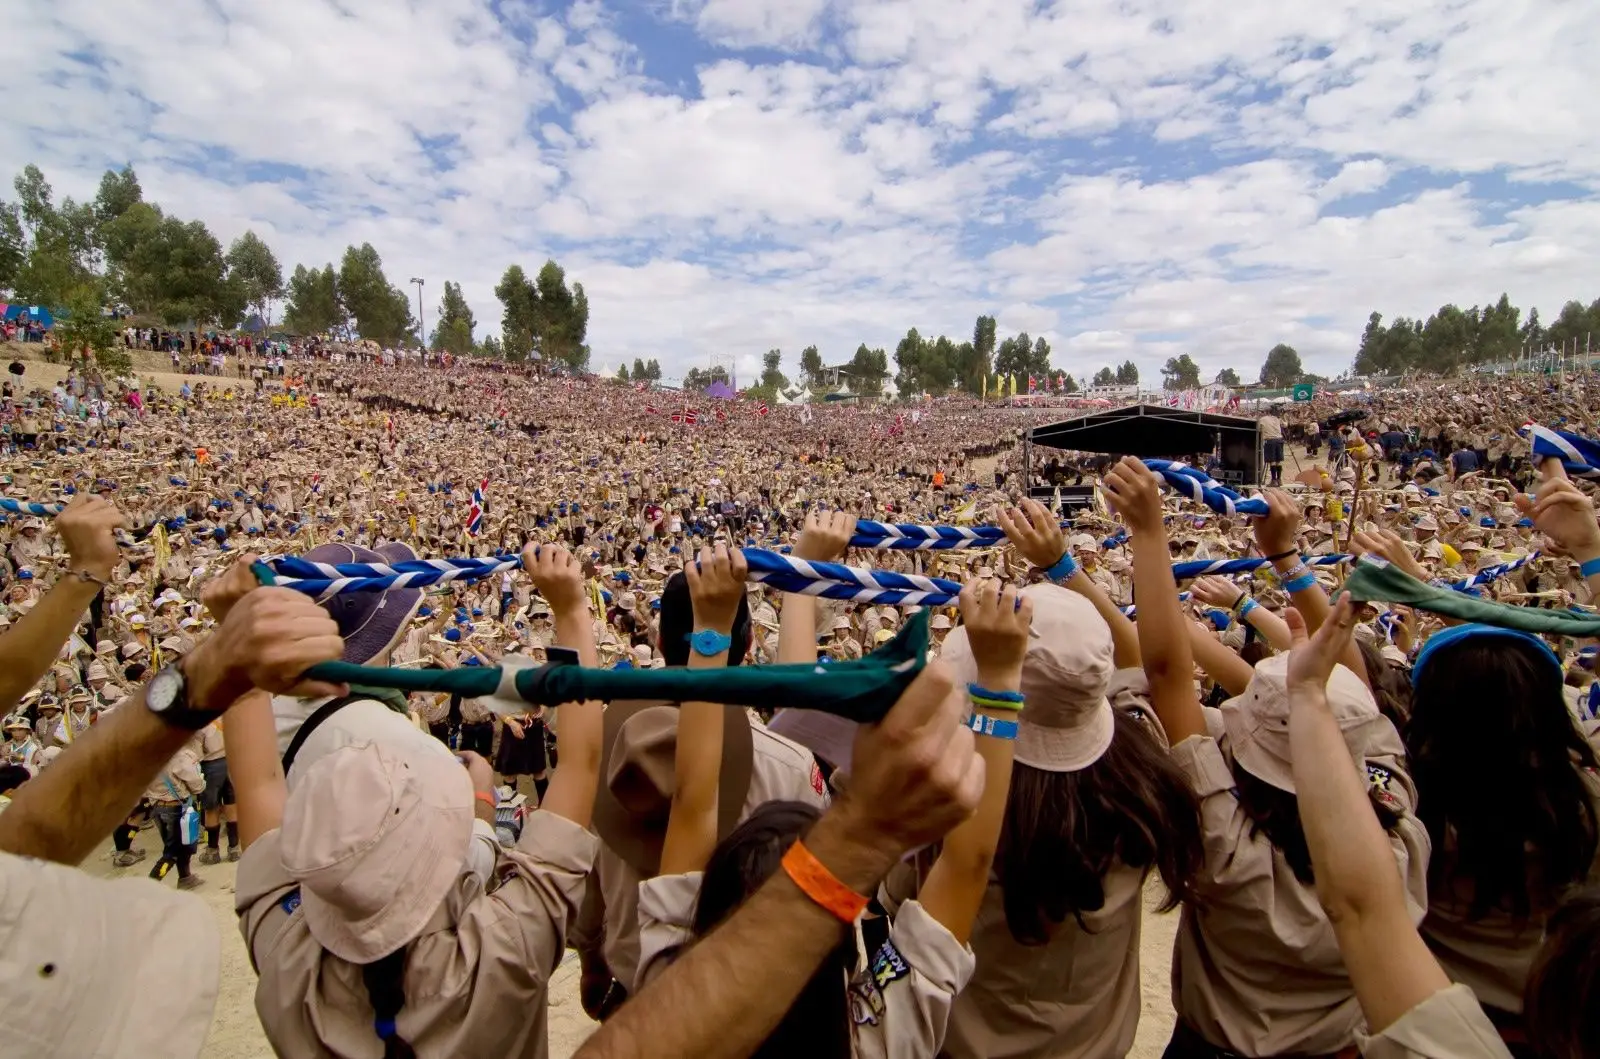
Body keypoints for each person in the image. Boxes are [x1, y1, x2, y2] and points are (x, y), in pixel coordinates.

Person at [227, 542, 609, 1057]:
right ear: (448, 854)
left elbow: (256, 785)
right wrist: (570, 607)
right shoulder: (505, 951)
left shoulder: (287, 961)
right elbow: (583, 761)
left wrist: (234, 630)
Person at [1102, 456, 1428, 1058]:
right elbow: (1360, 706)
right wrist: (1287, 563)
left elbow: (1169, 674)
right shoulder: (1400, 834)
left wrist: (1149, 538)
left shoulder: (1224, 838)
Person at [574, 657, 987, 1059]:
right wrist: (999, 682)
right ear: (838, 944)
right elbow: (969, 865)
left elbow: (692, 803)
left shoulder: (663, 989)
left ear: (699, 911)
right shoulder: (877, 1037)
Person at [144, 731, 205, 888]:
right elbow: (195, 783)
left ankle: (185, 877)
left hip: (156, 807)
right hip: (176, 808)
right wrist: (201, 785)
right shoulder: (177, 756)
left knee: (179, 847)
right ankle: (149, 886)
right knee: (172, 853)